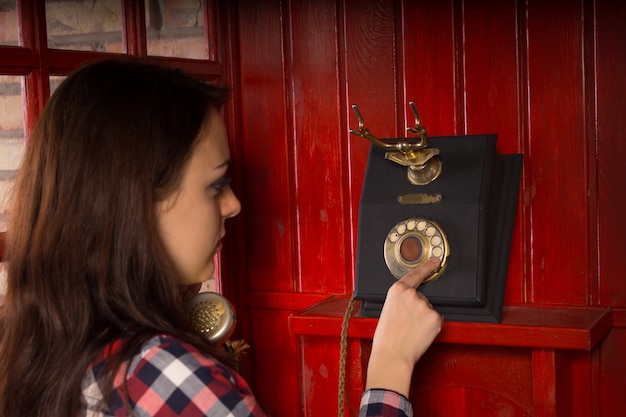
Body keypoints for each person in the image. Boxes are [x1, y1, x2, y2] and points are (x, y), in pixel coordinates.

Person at [0, 58, 442, 417]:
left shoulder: (36, 347)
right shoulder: (161, 373)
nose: (232, 205)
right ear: (135, 205)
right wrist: (390, 366)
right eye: (215, 185)